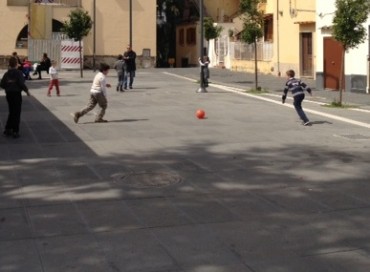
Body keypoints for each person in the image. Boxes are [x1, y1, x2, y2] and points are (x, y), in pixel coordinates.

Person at [0, 56, 30, 138]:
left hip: (9, 94)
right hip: (16, 94)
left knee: (11, 111)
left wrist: (8, 86)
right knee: (16, 112)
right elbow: (21, 83)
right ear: (16, 64)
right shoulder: (18, 73)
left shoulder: (7, 73)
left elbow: (2, 84)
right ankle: (15, 131)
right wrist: (27, 91)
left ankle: (8, 128)